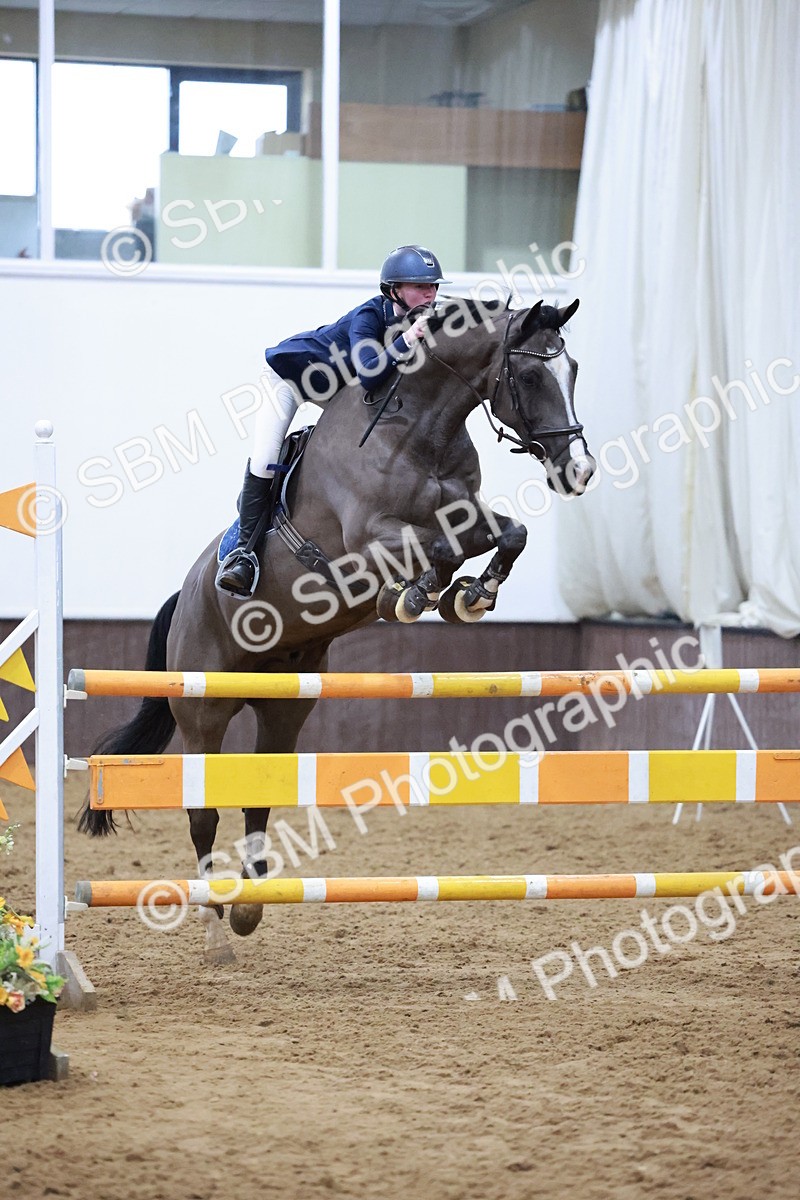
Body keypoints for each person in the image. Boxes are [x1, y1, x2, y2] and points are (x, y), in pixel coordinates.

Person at [215, 244, 449, 598]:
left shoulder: (425, 318)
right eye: (420, 286)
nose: (430, 293)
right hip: (292, 378)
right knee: (265, 459)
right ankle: (243, 554)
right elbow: (371, 374)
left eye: (433, 286)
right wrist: (409, 337)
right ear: (394, 290)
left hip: (341, 390)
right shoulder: (368, 317)